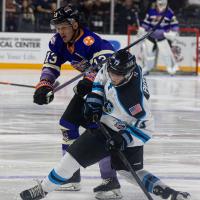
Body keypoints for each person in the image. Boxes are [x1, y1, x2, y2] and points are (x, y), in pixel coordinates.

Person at [19, 50, 191, 200]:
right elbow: (100, 79)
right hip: (105, 124)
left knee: (130, 173)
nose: (113, 76)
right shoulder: (112, 67)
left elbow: (146, 130)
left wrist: (123, 139)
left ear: (130, 73)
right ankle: (42, 189)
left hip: (126, 131)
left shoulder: (134, 101)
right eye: (112, 71)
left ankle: (167, 193)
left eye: (118, 75)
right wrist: (94, 103)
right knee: (71, 159)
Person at [32, 4, 122, 199]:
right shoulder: (57, 41)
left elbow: (105, 66)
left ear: (75, 24)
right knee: (68, 124)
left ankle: (110, 181)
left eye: (63, 27)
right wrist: (45, 84)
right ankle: (71, 176)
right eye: (57, 27)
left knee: (99, 132)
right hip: (88, 89)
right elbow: (51, 65)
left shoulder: (91, 41)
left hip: (106, 90)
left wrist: (89, 79)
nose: (60, 31)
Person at [138, 0, 179, 75]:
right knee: (148, 54)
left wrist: (173, 32)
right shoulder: (151, 11)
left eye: (162, 5)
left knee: (166, 54)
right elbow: (146, 22)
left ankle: (169, 68)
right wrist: (142, 29)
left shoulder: (169, 12)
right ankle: (147, 68)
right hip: (150, 36)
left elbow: (174, 24)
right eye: (159, 4)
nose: (160, 6)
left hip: (162, 37)